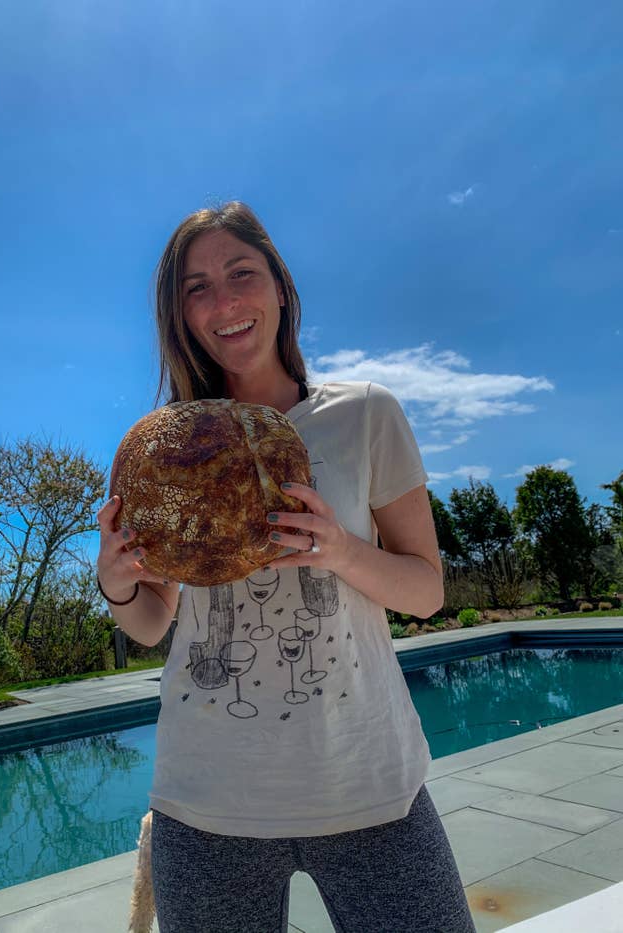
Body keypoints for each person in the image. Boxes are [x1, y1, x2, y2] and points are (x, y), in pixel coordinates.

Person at [96, 202, 476, 933]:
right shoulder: (166, 450)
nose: (226, 301)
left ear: (279, 286)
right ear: (179, 314)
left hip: (370, 785)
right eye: (197, 286)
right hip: (206, 804)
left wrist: (340, 550)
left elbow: (427, 589)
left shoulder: (366, 414)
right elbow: (153, 622)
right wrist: (116, 580)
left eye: (242, 273)